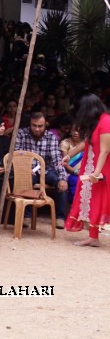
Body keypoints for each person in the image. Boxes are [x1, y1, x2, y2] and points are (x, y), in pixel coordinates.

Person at [65, 94, 110, 246]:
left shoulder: (106, 122)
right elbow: (87, 143)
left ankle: (93, 237)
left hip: (102, 168)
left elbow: (105, 150)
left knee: (102, 201)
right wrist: (68, 155)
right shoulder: (97, 122)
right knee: (93, 201)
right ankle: (93, 237)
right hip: (93, 166)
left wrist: (96, 174)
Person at [13, 111, 69, 226]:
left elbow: (57, 159)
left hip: (47, 170)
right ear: (30, 124)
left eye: (40, 126)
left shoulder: (51, 137)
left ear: (45, 125)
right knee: (25, 181)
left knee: (61, 182)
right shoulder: (21, 134)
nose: (37, 129)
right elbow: (16, 155)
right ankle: (26, 216)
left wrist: (63, 177)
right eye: (34, 125)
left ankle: (60, 217)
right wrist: (24, 168)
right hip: (28, 170)